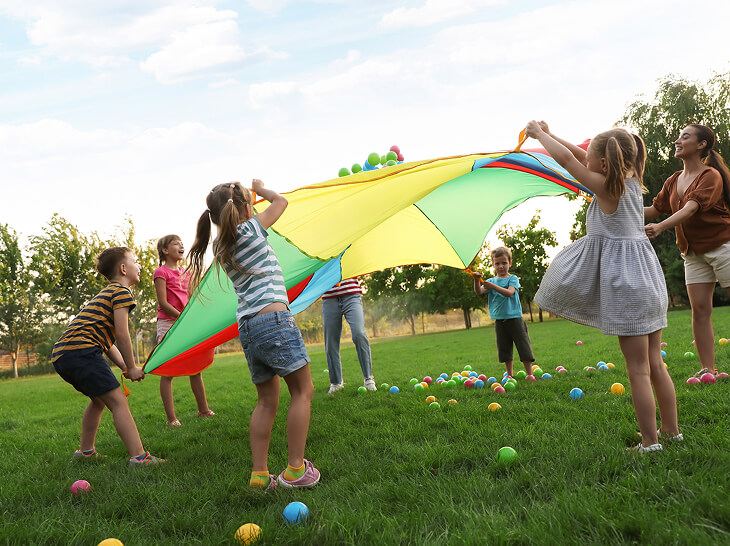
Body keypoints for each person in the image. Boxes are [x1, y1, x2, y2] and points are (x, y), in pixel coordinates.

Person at [526, 121, 680, 453]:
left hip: (629, 288)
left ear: (605, 164)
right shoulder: (632, 183)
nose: (586, 163)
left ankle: (650, 443)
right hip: (650, 284)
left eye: (592, 160)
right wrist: (550, 135)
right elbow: (580, 156)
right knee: (655, 365)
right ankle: (671, 432)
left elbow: (569, 161)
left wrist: (539, 137)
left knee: (638, 370)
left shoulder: (608, 189)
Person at [187, 180, 319, 490]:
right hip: (273, 319)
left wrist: (248, 201)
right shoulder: (251, 229)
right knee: (303, 391)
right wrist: (264, 190)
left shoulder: (222, 246)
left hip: (247, 328)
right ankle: (296, 470)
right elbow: (282, 203)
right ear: (247, 209)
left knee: (266, 402)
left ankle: (260, 475)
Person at [52, 247, 165, 467]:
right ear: (123, 269)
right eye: (135, 261)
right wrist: (132, 367)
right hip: (82, 351)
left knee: (98, 400)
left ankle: (85, 453)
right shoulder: (122, 293)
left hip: (63, 354)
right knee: (118, 402)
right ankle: (140, 458)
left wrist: (123, 365)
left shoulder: (105, 294)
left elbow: (106, 341)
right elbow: (122, 334)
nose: (139, 265)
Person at [644, 124, 730, 378]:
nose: (677, 140)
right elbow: (652, 210)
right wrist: (615, 205)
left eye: (685, 136)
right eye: (678, 136)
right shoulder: (673, 180)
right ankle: (707, 368)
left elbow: (691, 208)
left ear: (701, 144)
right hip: (692, 253)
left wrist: (660, 227)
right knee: (700, 311)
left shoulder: (710, 175)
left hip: (722, 246)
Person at [154, 234, 214, 426]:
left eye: (181, 243)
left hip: (185, 323)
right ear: (165, 250)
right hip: (169, 324)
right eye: (176, 243)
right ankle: (171, 419)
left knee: (195, 369)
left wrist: (194, 317)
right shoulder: (161, 273)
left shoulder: (186, 273)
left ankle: (203, 410)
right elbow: (163, 303)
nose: (181, 245)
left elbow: (191, 297)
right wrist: (182, 318)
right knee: (168, 371)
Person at [472, 247, 535, 378]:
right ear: (493, 265)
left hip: (515, 319)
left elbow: (509, 292)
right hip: (500, 321)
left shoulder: (512, 279)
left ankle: (530, 374)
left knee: (523, 347)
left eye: (504, 263)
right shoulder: (490, 281)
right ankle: (510, 375)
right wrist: (476, 280)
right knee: (505, 349)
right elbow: (479, 291)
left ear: (510, 263)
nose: (501, 266)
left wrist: (493, 287)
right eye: (497, 263)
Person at [322, 278, 376, 394]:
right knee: (330, 341)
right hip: (329, 297)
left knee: (359, 334)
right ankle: (336, 382)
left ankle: (368, 379)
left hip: (351, 294)